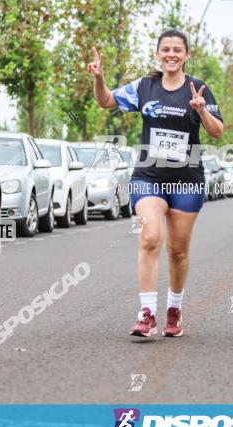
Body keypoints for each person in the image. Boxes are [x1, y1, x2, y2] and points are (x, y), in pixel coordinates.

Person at [88, 29, 224, 338]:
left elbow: (217, 132)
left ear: (186, 55)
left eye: (178, 50)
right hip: (148, 177)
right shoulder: (145, 86)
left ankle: (174, 308)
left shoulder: (199, 88)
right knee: (150, 237)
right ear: (158, 54)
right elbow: (106, 100)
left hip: (187, 181)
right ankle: (146, 312)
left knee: (178, 252)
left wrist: (201, 110)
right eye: (166, 49)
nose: (172, 54)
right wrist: (99, 77)